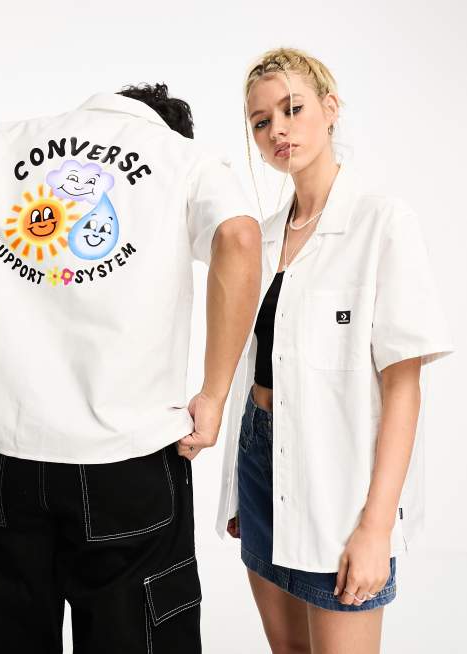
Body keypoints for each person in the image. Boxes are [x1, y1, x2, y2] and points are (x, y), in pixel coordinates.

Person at [0, 83, 261, 653]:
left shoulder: (5, 145)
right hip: (130, 462)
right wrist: (214, 395)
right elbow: (240, 236)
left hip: (4, 462)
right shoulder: (182, 158)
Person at [207, 48, 452, 653]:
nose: (278, 130)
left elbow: (403, 389)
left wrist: (376, 528)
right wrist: (240, 485)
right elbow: (251, 366)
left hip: (340, 487)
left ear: (331, 108)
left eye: (292, 109)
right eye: (261, 122)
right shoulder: (262, 236)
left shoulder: (381, 223)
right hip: (259, 461)